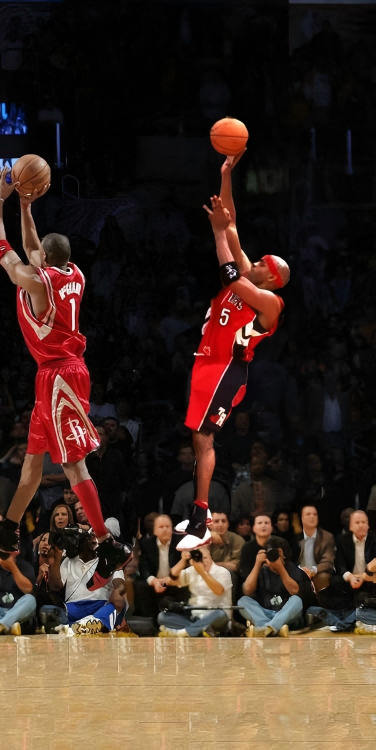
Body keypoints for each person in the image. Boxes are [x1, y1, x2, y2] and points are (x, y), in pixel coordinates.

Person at [0, 166, 129, 587]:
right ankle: (8, 529)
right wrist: (27, 206)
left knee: (73, 465)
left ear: (43, 261)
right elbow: (33, 247)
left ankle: (107, 543)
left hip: (60, 375)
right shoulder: (73, 272)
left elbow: (1, 248)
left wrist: (0, 199)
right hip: (58, 373)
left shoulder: (34, 282)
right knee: (32, 461)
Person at [177, 154, 290, 550]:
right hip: (207, 362)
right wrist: (226, 175)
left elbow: (228, 269)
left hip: (227, 369)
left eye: (259, 262)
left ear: (270, 276)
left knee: (204, 437)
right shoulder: (249, 276)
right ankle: (200, 513)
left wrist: (217, 233)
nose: (252, 261)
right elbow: (231, 223)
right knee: (197, 439)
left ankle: (201, 516)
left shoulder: (269, 302)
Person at [47, 528, 127, 635]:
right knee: (48, 611)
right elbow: (55, 586)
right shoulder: (68, 560)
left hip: (99, 606)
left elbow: (119, 583)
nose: (95, 540)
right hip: (72, 607)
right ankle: (83, 626)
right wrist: (57, 556)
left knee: (113, 607)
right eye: (91, 536)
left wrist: (118, 590)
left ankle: (82, 625)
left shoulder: (110, 561)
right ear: (83, 540)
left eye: (99, 538)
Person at [158, 547, 234, 637]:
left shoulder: (222, 572)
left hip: (216, 617)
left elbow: (218, 591)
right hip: (195, 617)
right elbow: (171, 579)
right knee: (162, 616)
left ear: (210, 557)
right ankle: (198, 631)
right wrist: (183, 560)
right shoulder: (192, 571)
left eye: (205, 558)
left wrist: (202, 572)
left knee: (219, 613)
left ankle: (185, 632)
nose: (203, 561)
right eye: (199, 559)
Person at [239, 537, 306, 637]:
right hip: (265, 613)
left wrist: (280, 568)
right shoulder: (261, 569)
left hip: (285, 614)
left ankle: (265, 628)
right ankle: (272, 627)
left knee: (297, 601)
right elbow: (247, 591)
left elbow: (294, 591)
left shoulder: (291, 568)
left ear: (283, 554)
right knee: (243, 601)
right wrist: (257, 564)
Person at [296, 504, 335, 592]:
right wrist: (302, 571)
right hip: (299, 573)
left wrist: (313, 571)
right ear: (302, 518)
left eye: (315, 514)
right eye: (308, 514)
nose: (312, 517)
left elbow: (328, 561)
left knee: (323, 576)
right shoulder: (296, 537)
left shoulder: (327, 537)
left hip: (317, 572)